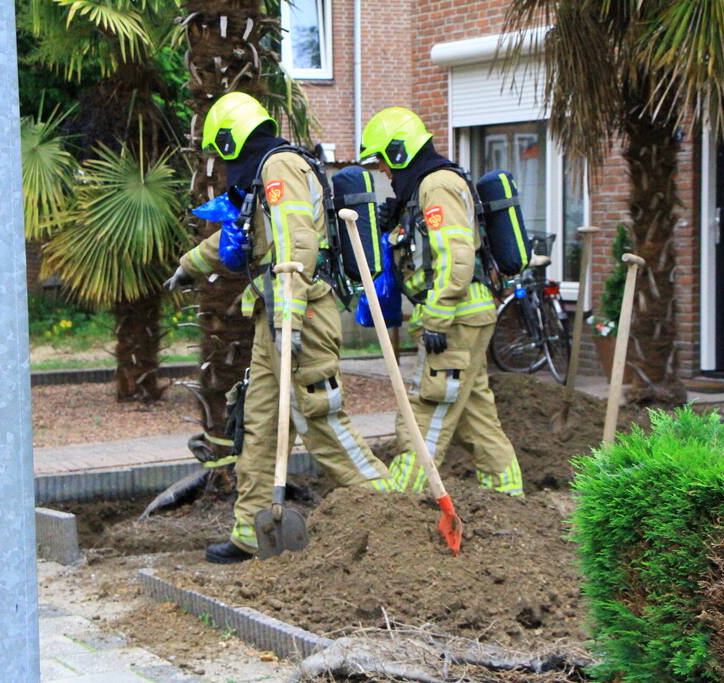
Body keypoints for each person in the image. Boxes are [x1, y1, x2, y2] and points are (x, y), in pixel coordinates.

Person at [166, 93, 392, 564]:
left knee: (317, 414)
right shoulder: (264, 171)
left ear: (230, 139)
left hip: (301, 310)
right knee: (261, 423)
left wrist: (289, 318)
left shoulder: (280, 166)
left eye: (220, 150)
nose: (222, 161)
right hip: (275, 311)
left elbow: (296, 242)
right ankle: (251, 534)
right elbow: (245, 233)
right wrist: (191, 265)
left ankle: (392, 509)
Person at [359, 106, 524, 496]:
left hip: (455, 316)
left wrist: (437, 316)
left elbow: (455, 255)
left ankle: (404, 500)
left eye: (383, 158)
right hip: (466, 313)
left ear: (399, 151)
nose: (382, 169)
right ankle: (508, 496)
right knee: (475, 415)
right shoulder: (426, 187)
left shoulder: (437, 186)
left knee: (428, 408)